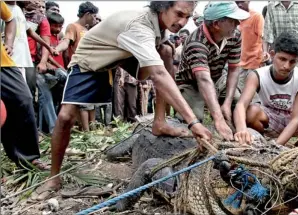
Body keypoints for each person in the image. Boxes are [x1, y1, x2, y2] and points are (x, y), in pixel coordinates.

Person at [31, 1, 212, 201]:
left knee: (166, 51)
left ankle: (159, 122)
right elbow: (159, 74)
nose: (183, 22)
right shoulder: (139, 25)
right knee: (65, 117)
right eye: (179, 14)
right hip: (91, 59)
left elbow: (159, 66)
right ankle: (53, 177)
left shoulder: (162, 27)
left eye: (187, 16)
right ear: (162, 7)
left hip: (119, 57)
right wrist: (193, 122)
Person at [233, 31, 298, 146]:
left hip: (293, 119)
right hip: (269, 118)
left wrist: (277, 146)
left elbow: (296, 118)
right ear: (272, 54)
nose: (286, 66)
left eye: (292, 61)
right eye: (282, 59)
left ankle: (297, 148)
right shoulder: (257, 75)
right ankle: (260, 143)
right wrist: (242, 130)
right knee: (251, 111)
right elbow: (241, 105)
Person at [175, 1, 250, 140]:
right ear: (216, 24)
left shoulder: (235, 35)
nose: (238, 24)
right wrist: (219, 119)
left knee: (241, 107)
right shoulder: (196, 42)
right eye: (233, 20)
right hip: (192, 82)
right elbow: (203, 79)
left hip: (217, 77)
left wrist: (227, 103)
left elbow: (233, 69)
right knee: (193, 120)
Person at [0, 1, 48, 171]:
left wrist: (9, 43)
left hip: (3, 62)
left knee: (23, 100)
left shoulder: (9, 7)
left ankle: (27, 158)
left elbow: (10, 19)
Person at [263, 1, 298, 107]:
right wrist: (265, 52)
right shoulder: (272, 6)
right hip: (283, 60)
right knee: (287, 94)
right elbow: (267, 33)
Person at [53, 1, 99, 131]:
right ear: (87, 14)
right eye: (94, 16)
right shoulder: (73, 26)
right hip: (79, 66)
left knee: (90, 100)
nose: (95, 19)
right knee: (82, 101)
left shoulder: (88, 30)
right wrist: (57, 49)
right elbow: (66, 41)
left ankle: (92, 128)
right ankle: (85, 131)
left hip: (91, 67)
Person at [235, 1, 265, 96]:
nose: (239, 5)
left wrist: (264, 53)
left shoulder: (256, 17)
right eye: (237, 2)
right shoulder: (236, 19)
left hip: (254, 61)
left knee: (253, 93)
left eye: (242, 2)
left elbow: (263, 37)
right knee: (241, 92)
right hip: (240, 62)